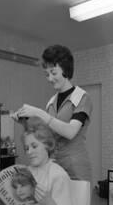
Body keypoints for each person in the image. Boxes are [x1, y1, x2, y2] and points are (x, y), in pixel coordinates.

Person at [14, 45, 92, 181]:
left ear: (66, 70)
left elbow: (70, 132)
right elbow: (47, 134)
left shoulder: (82, 97)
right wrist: (24, 122)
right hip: (55, 164)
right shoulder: (52, 102)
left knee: (76, 202)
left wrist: (40, 113)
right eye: (47, 74)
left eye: (53, 73)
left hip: (76, 165)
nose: (49, 78)